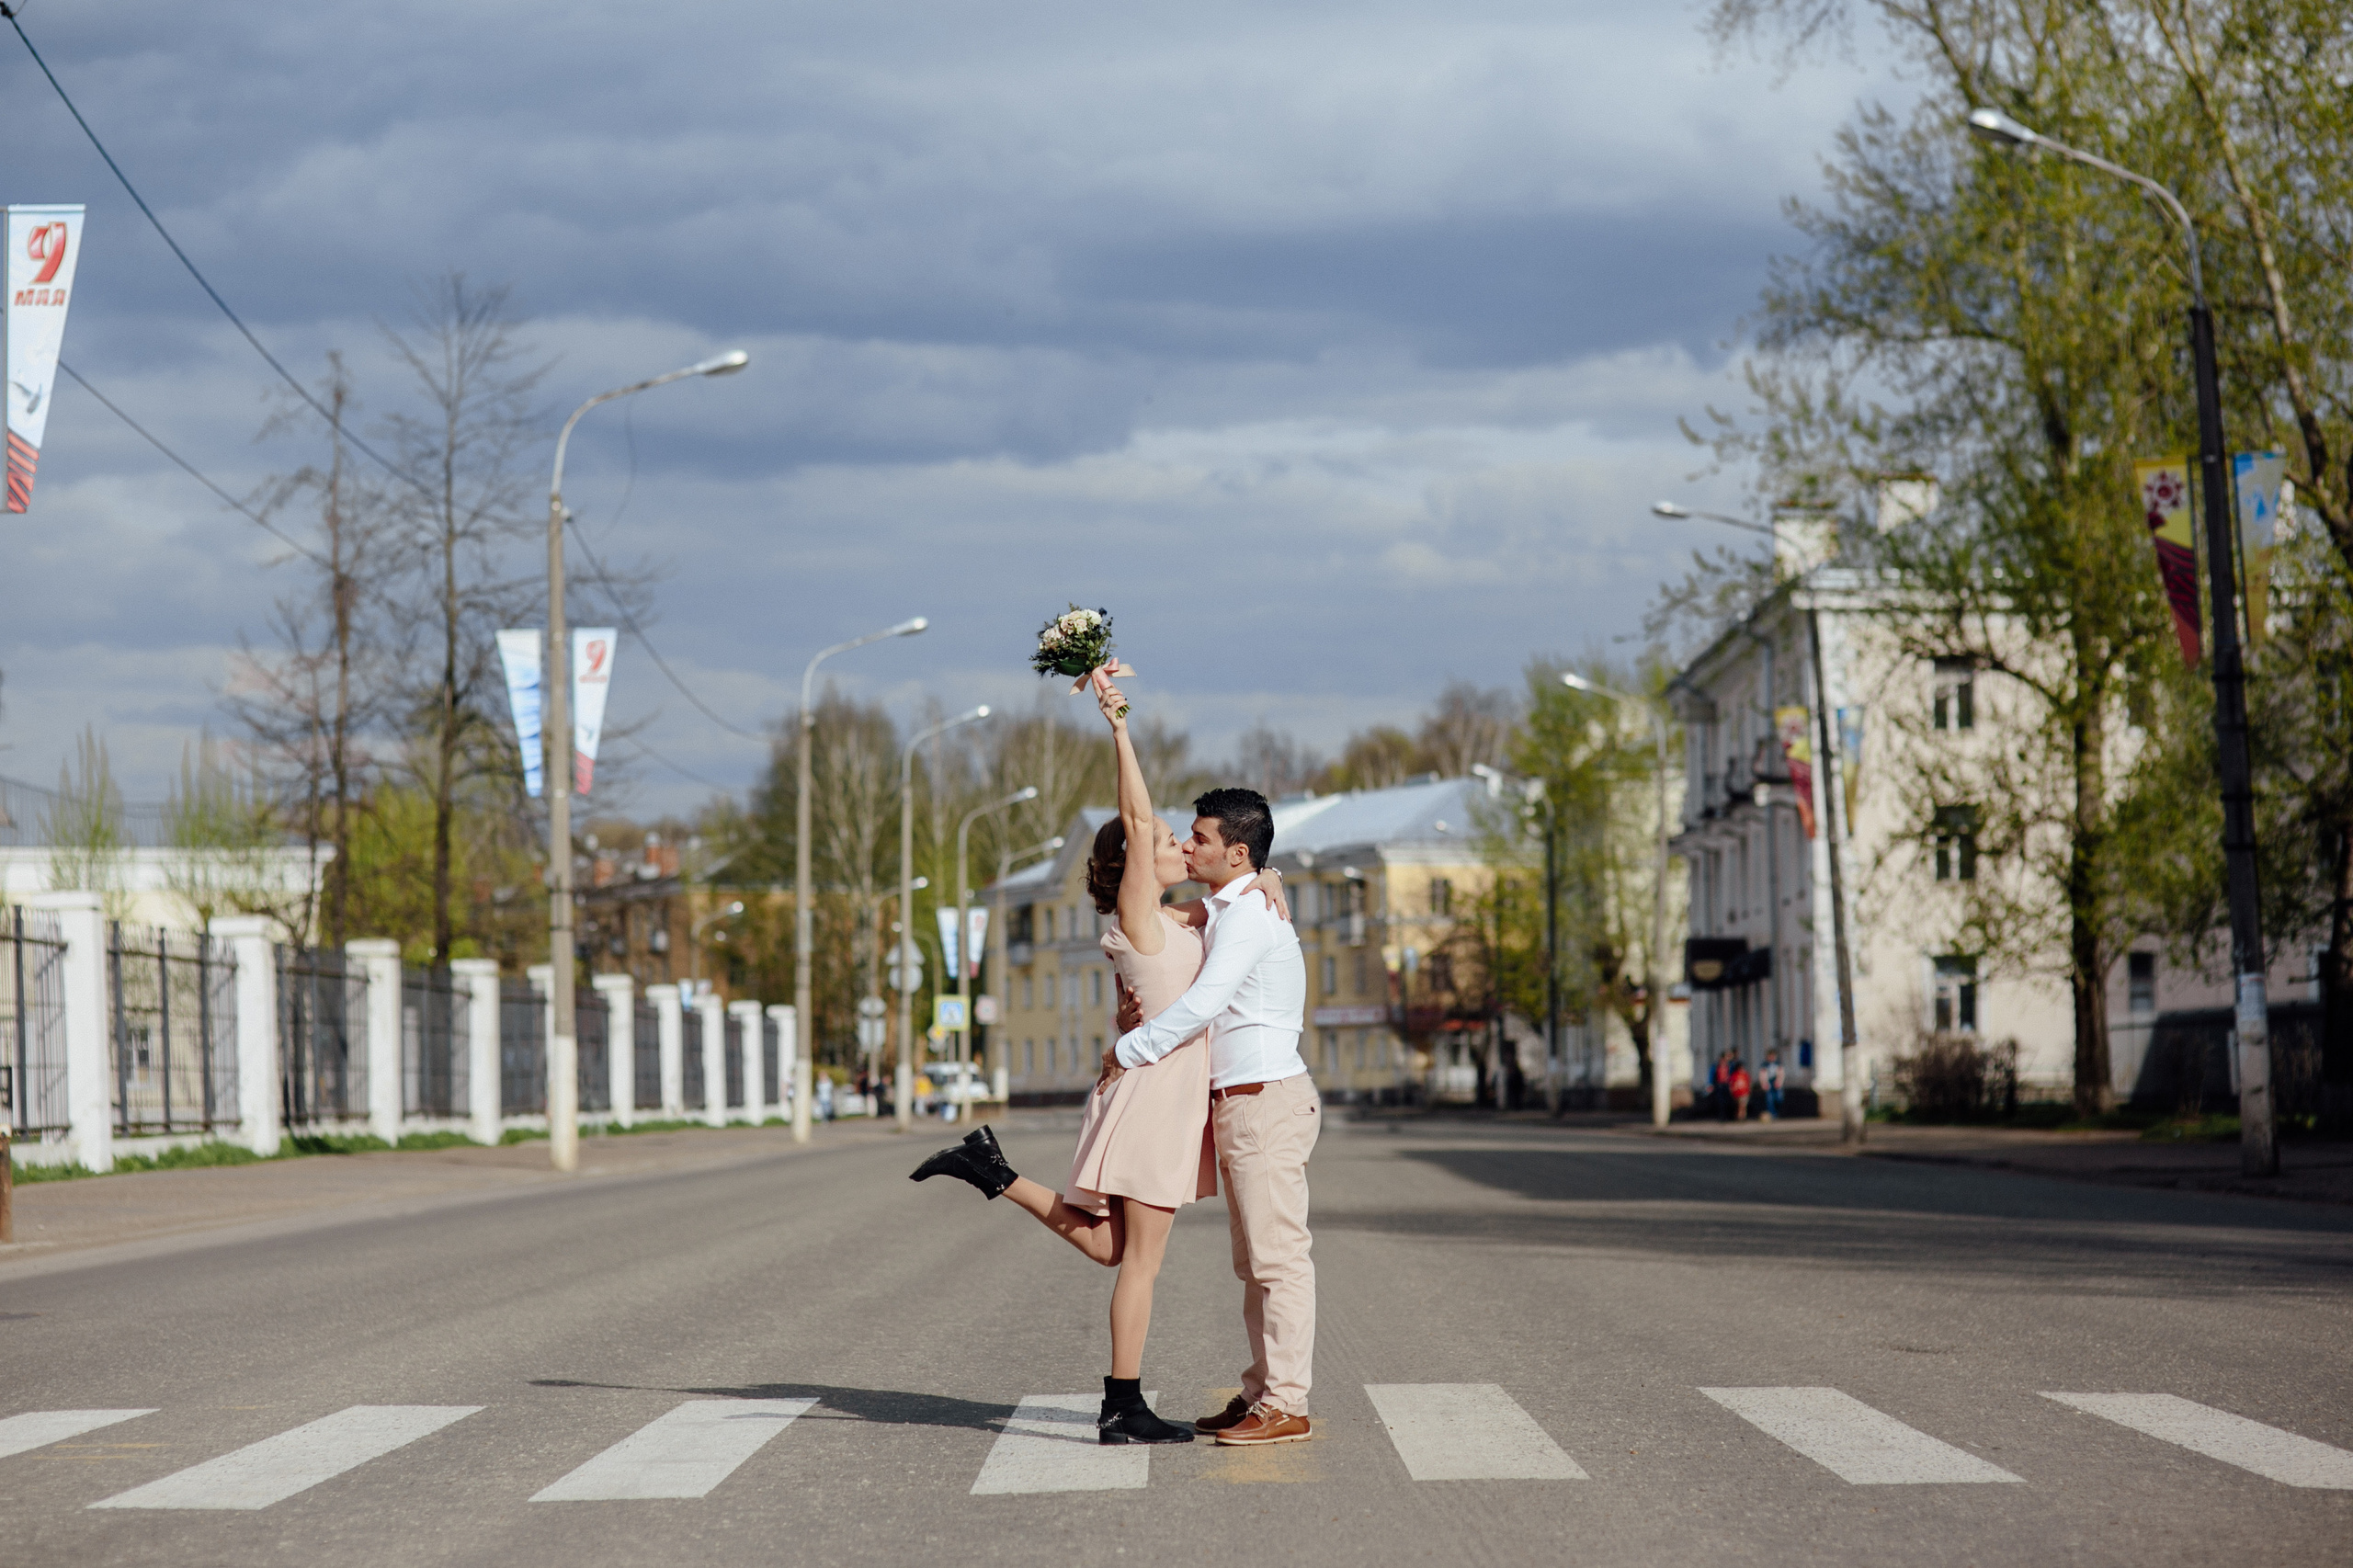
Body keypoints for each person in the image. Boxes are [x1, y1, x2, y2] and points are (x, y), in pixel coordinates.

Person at [912, 668, 1285, 1447]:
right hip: (1153, 1099)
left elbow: (1235, 892)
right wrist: (1119, 726)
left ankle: (993, 1173)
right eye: (1163, 842)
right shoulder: (1141, 915)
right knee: (1138, 1263)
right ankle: (1123, 1405)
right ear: (1136, 865)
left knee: (1113, 1245)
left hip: (1150, 1095)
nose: (1180, 844)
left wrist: (1267, 873)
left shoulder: (1179, 919)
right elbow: (1136, 811)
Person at [1110, 767, 1315, 1449]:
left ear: (1236, 854)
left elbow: (1205, 1003)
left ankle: (1286, 1402)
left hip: (1264, 1102)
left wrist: (1129, 1050)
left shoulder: (1252, 913)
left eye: (1199, 839)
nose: (1188, 847)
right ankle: (1261, 1393)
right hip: (1238, 1107)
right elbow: (1167, 912)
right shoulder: (1232, 905)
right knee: (1254, 1262)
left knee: (1278, 1260)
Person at [1759, 1049, 1785, 1121]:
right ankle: (1772, 1114)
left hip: (1776, 1082)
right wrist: (1764, 1084)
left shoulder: (1778, 1064)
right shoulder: (1764, 1065)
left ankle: (1777, 1112)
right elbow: (1762, 1075)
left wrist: (1779, 1082)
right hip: (1768, 1082)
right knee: (1769, 1100)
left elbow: (1782, 1074)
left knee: (1779, 1098)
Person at [1731, 1056, 1753, 1121]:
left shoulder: (1745, 1075)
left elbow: (1748, 1083)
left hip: (1745, 1092)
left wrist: (1749, 1091)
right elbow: (1733, 1084)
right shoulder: (1735, 1075)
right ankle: (1739, 1117)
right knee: (1740, 1106)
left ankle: (1743, 1117)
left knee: (1744, 1106)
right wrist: (1733, 1091)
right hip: (1738, 1093)